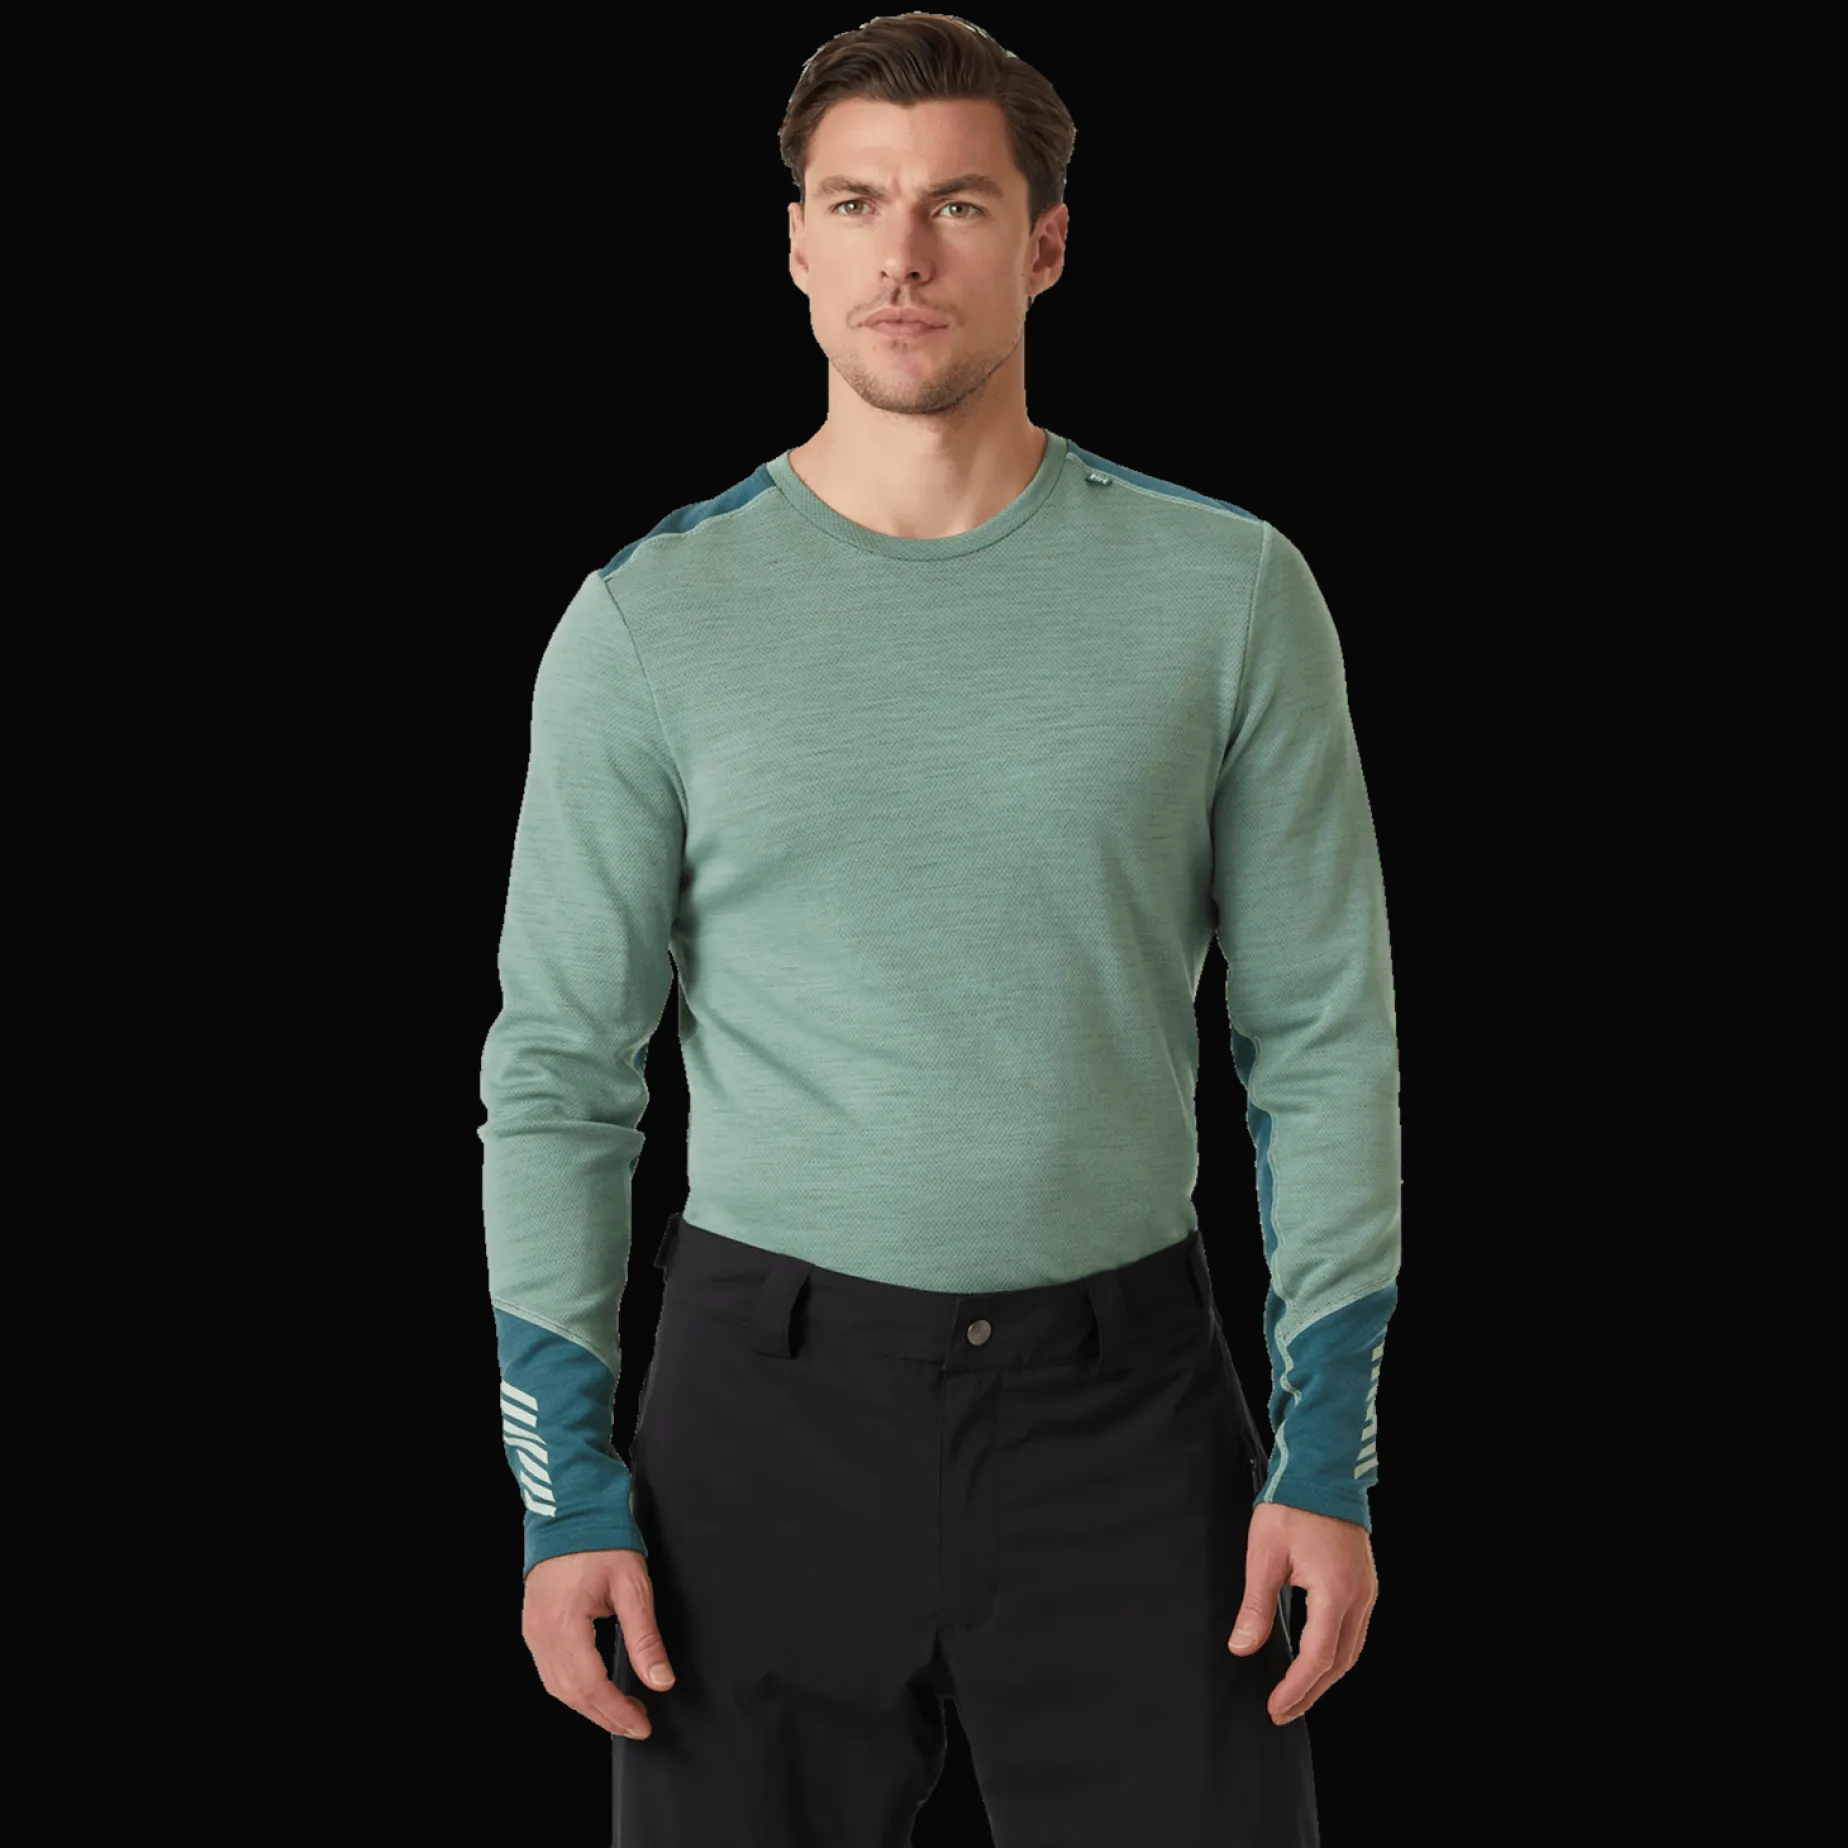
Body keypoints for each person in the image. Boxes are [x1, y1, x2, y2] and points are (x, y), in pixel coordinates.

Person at [478, 13, 1399, 1844]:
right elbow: (563, 1071)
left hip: (1130, 1412)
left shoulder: (1230, 593)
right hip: (759, 1427)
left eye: (958, 204)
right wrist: (562, 1490)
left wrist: (1330, 1454)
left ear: (1044, 244)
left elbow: (1321, 1037)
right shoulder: (648, 620)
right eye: (856, 203)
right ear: (797, 244)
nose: (902, 253)